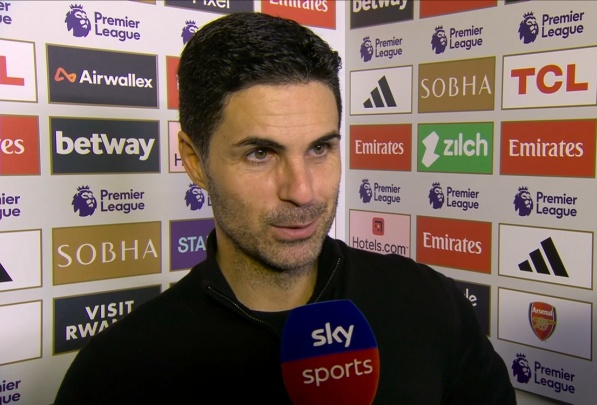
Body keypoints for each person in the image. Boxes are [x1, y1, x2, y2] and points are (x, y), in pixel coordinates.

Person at [54, 12, 516, 404]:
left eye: (320, 148)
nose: (302, 191)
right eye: (261, 153)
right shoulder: (118, 372)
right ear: (194, 161)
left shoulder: (428, 304)